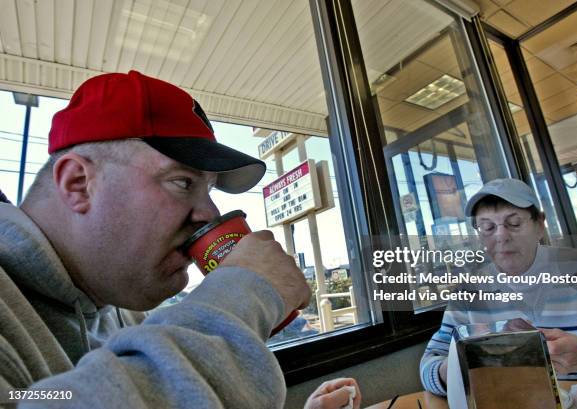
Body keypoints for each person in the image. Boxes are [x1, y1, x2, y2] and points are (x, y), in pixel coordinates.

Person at [0, 70, 360, 409]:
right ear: (78, 183)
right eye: (183, 182)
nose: (210, 213)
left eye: (210, 188)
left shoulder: (123, 311)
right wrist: (238, 299)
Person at [420, 178, 577, 396]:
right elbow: (431, 364)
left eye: (514, 223)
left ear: (540, 225)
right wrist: (464, 363)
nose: (501, 236)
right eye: (487, 227)